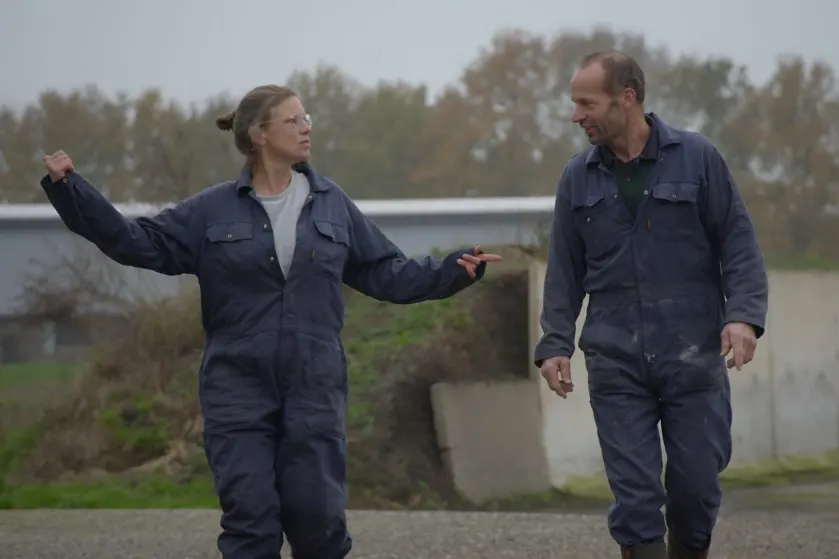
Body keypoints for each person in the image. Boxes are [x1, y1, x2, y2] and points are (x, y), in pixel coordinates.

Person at [41, 84, 503, 559]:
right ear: (259, 134)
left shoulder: (331, 203)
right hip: (237, 387)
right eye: (293, 120)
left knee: (319, 521)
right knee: (251, 521)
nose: (306, 129)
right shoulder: (212, 210)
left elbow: (386, 272)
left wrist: (452, 270)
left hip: (314, 385)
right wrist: (72, 190)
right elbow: (135, 241)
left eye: (307, 119)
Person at [534, 52, 768, 559]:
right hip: (615, 358)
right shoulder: (578, 177)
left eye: (586, 103)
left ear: (627, 97)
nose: (576, 116)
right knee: (636, 501)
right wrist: (555, 344)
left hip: (692, 353)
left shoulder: (697, 158)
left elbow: (737, 242)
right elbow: (564, 270)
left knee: (695, 491)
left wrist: (744, 316)